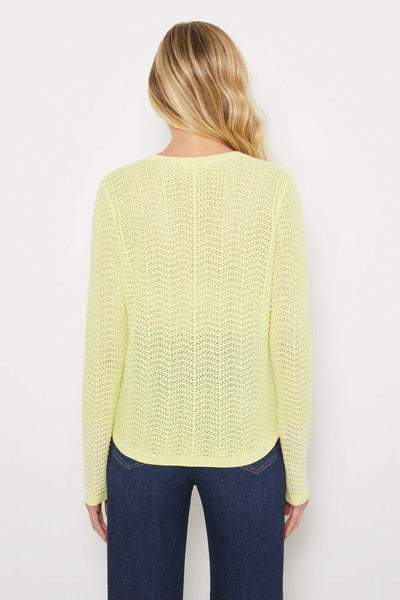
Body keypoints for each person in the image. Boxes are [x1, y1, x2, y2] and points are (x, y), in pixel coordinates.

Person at [81, 20, 312, 600]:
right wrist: (298, 474)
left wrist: (92, 475)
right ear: (229, 83)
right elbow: (289, 345)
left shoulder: (120, 192)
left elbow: (105, 345)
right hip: (249, 450)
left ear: (159, 89)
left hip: (139, 453)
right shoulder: (273, 189)